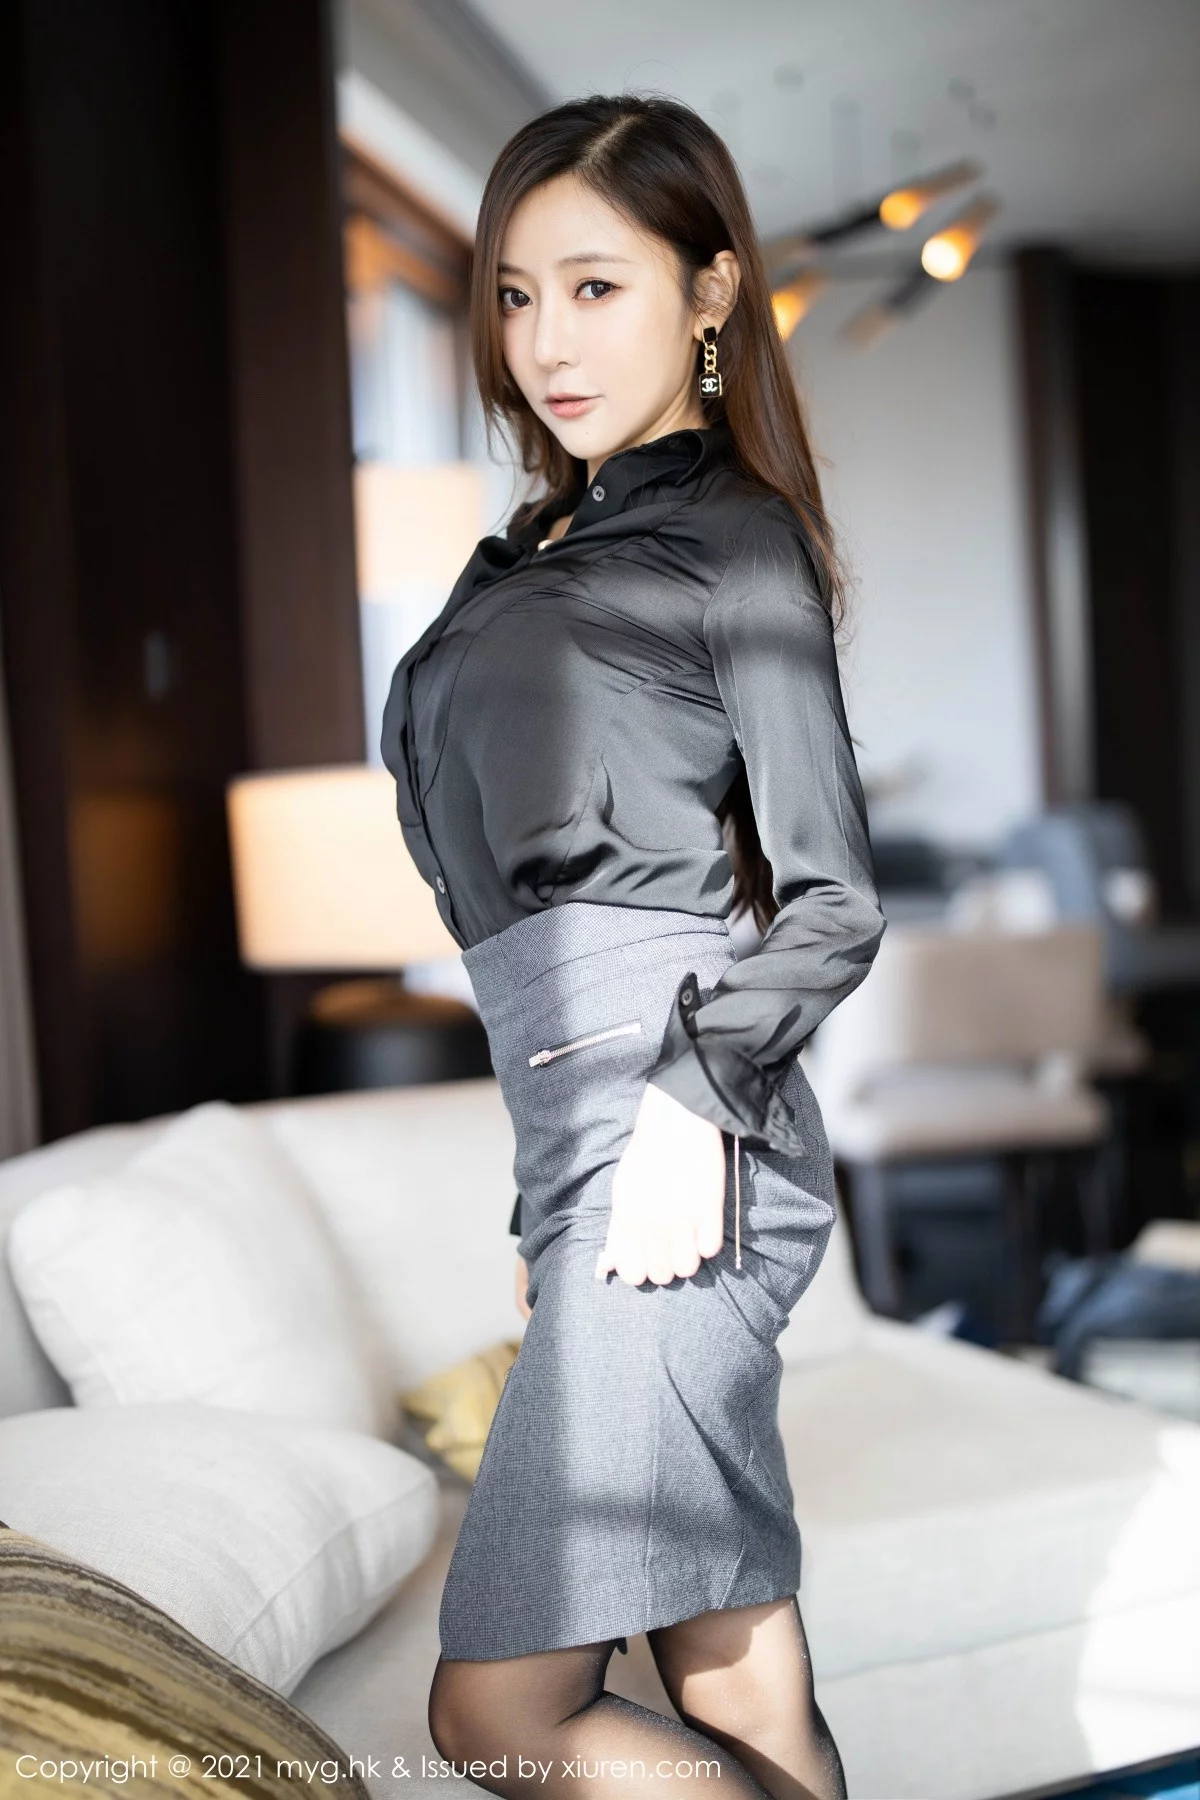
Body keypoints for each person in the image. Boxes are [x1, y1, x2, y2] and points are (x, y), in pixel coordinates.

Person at [381, 92, 886, 1800]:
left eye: (597, 288)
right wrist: (546, 1200)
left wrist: (681, 1105)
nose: (546, 342)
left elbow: (834, 898)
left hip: (689, 1142)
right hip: (587, 1154)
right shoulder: (534, 547)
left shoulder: (733, 537)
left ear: (712, 289)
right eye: (518, 296)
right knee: (733, 1675)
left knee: (495, 1717)